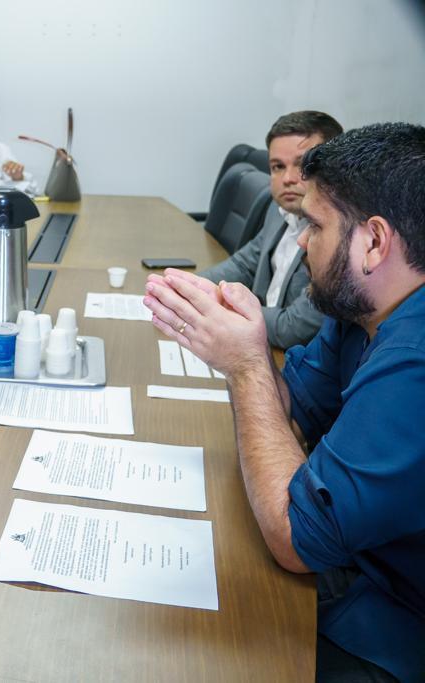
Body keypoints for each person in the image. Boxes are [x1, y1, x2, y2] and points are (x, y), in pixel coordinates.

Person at [143, 123, 425, 681]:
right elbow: (290, 411)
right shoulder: (360, 308)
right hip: (348, 564)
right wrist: (239, 342)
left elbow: (296, 539)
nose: (299, 242)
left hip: (391, 621)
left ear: (373, 242)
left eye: (316, 226)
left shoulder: (414, 360)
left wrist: (246, 364)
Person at [201, 111, 343, 349]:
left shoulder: (340, 238)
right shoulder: (278, 211)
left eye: (302, 164)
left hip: (297, 363)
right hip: (261, 344)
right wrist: (186, 287)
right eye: (277, 166)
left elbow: (292, 329)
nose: (287, 178)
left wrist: (217, 305)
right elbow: (244, 265)